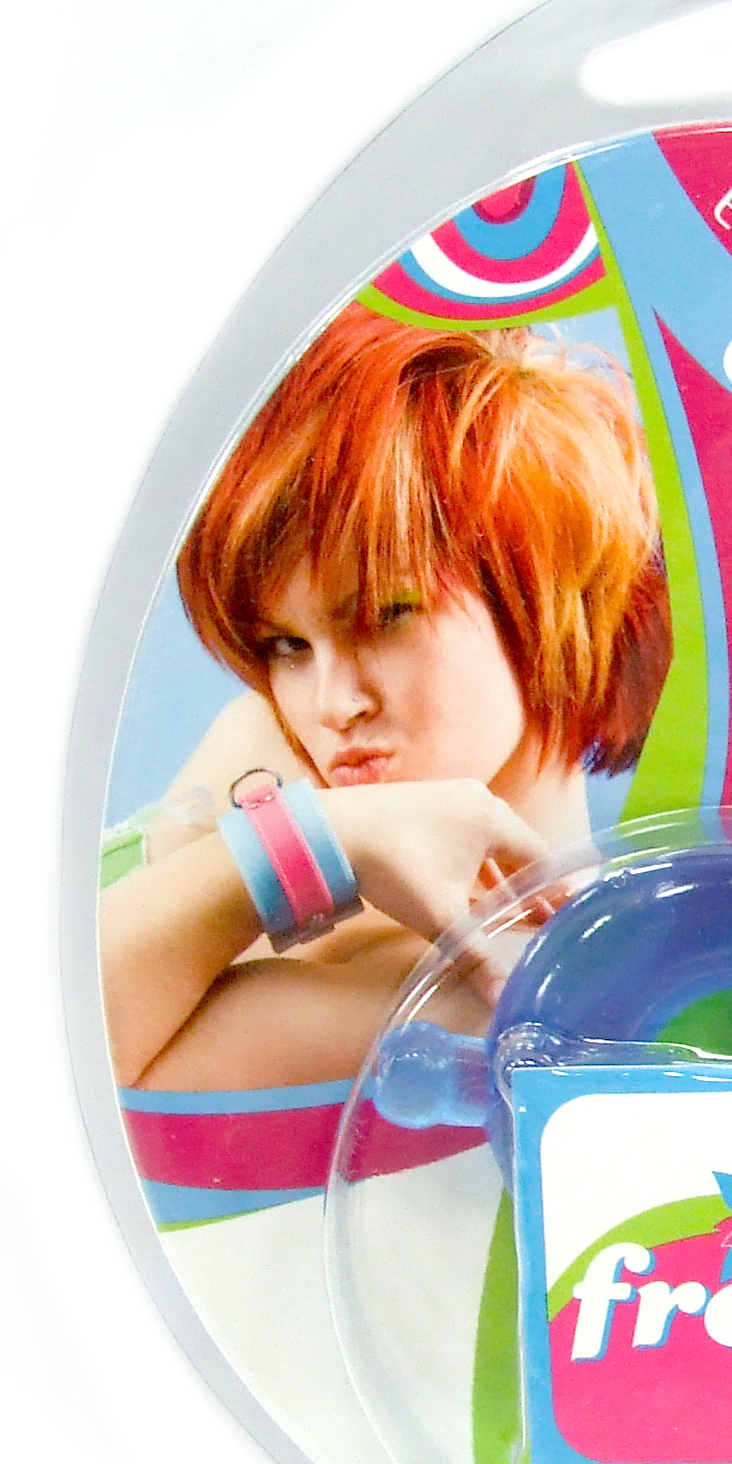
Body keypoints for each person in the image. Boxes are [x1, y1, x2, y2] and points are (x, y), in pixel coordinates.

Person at [100, 310, 671, 1094]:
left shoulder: (487, 990)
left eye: (385, 615)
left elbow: (45, 1058)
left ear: (547, 592)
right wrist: (329, 835)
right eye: (286, 644)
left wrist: (295, 848)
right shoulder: (268, 742)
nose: (330, 704)